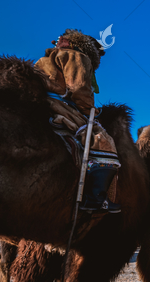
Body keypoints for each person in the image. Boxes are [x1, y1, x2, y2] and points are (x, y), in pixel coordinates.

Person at [35, 29, 120, 213]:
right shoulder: (77, 56)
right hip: (59, 105)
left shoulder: (45, 60)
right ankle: (96, 198)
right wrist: (89, 110)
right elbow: (79, 88)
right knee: (103, 141)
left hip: (38, 103)